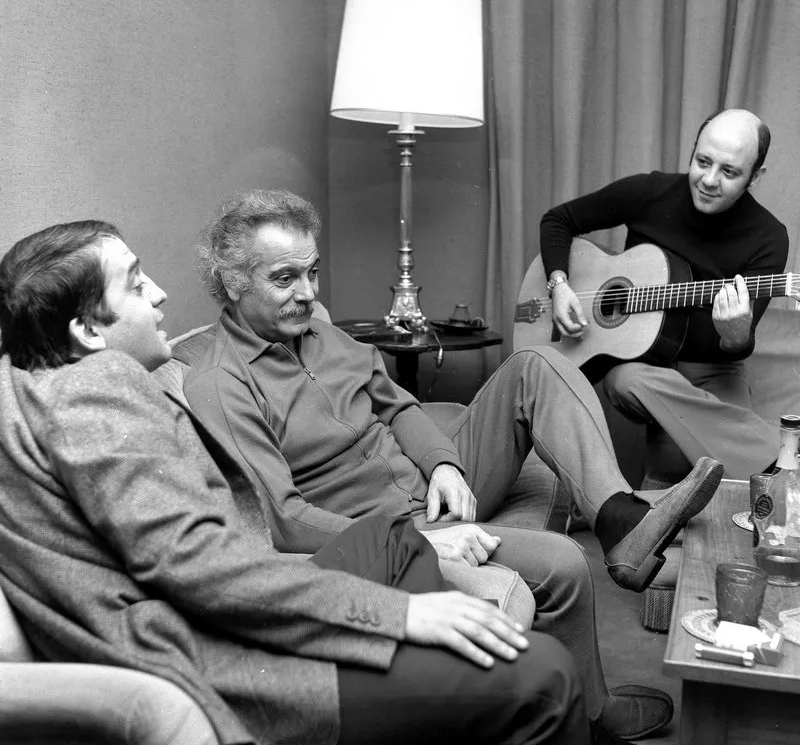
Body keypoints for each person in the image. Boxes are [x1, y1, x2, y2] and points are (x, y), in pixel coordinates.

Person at [0, 221, 590, 745]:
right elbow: (200, 565)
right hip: (217, 646)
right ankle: (447, 681)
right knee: (545, 672)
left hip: (253, 583)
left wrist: (441, 465)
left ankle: (435, 691)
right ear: (86, 330)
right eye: (133, 284)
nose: (159, 293)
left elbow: (398, 406)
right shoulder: (94, 392)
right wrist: (398, 617)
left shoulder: (46, 385)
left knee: (395, 541)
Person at [183, 189, 725, 741]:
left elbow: (397, 405)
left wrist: (444, 463)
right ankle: (591, 714)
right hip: (392, 529)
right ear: (232, 282)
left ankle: (620, 520)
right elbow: (283, 517)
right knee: (562, 562)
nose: (307, 294)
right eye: (285, 279)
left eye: (312, 272)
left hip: (440, 490)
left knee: (537, 362)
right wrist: (410, 539)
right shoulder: (222, 384)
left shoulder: (323, 333)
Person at [539, 108, 789, 482]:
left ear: (755, 177)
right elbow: (558, 220)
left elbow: (737, 346)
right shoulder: (649, 192)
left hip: (712, 371)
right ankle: (781, 455)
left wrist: (735, 333)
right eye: (702, 162)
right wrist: (559, 285)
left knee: (728, 485)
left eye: (729, 172)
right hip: (645, 368)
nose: (708, 180)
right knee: (626, 379)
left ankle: (705, 476)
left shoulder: (769, 236)